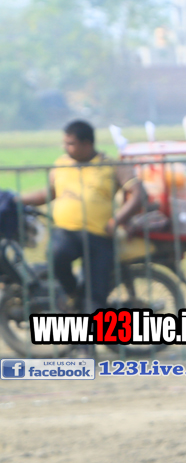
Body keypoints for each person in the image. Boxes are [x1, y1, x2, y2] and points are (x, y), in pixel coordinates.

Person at [20, 120, 145, 332]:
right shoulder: (61, 164)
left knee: (94, 295)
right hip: (65, 233)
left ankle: (86, 344)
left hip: (99, 236)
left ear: (87, 144)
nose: (65, 147)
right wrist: (18, 200)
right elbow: (49, 193)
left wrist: (118, 220)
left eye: (70, 143)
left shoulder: (110, 165)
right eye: (65, 143)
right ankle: (72, 294)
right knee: (55, 255)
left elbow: (138, 195)